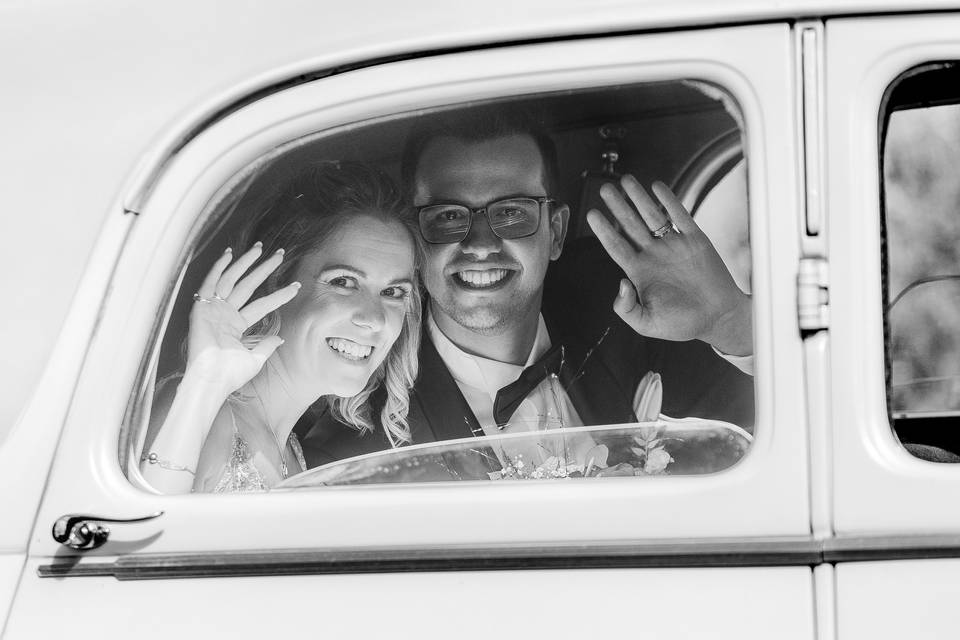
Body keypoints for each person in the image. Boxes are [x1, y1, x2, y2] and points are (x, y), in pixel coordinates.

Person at [297, 108, 754, 469]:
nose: (479, 244)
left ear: (555, 233)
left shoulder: (623, 301)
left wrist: (731, 321)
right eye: (449, 216)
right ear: (414, 238)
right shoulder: (361, 448)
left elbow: (785, 442)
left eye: (512, 212)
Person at [141, 162, 422, 493]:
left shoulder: (292, 451)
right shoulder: (201, 410)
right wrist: (204, 383)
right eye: (344, 282)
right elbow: (137, 534)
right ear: (277, 282)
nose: (374, 318)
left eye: (392, 293)